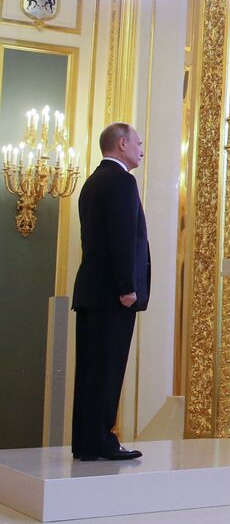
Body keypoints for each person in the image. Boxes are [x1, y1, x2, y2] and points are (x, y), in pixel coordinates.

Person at [71, 122, 150, 462]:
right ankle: (103, 440)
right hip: (113, 295)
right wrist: (127, 287)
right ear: (121, 144)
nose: (141, 150)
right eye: (138, 143)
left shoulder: (91, 182)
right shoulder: (122, 181)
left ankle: (86, 442)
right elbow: (121, 237)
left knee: (90, 370)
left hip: (91, 291)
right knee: (107, 369)